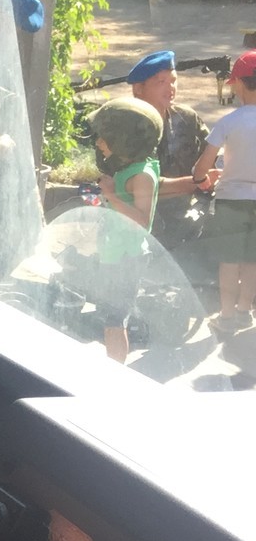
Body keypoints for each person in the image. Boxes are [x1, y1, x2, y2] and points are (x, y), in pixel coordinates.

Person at [89, 97, 167, 363]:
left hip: (127, 258)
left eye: (105, 138)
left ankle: (116, 371)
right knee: (110, 317)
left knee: (115, 319)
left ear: (124, 141)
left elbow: (142, 221)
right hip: (114, 253)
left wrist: (112, 195)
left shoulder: (141, 175)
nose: (99, 143)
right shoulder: (128, 168)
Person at [192, 50, 256, 334]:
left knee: (229, 261)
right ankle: (245, 312)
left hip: (231, 202)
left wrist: (202, 177)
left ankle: (226, 317)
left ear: (239, 83)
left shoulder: (230, 121)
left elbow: (202, 166)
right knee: (252, 261)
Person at [125, 49, 210, 186]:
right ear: (139, 89)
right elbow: (132, 185)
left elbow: (210, 154)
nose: (171, 88)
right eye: (161, 82)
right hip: (145, 198)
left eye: (173, 81)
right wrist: (195, 182)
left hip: (192, 197)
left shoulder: (187, 117)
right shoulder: (126, 125)